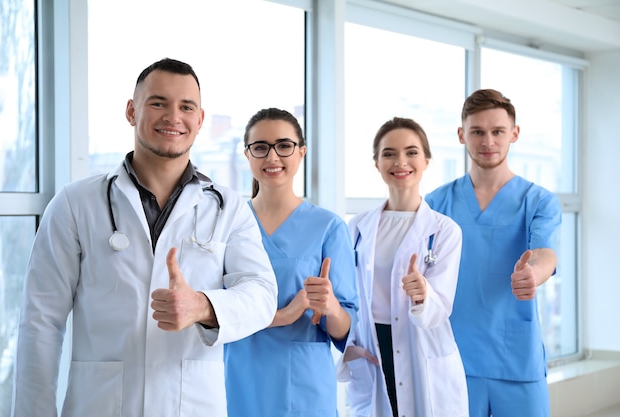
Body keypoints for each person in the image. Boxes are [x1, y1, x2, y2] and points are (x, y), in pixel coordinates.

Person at [11, 58, 278, 417]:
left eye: (186, 107)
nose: (173, 117)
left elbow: (262, 295)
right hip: (100, 406)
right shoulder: (76, 204)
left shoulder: (228, 208)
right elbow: (41, 320)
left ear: (200, 120)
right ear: (131, 110)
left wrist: (202, 306)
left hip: (193, 406)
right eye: (158, 103)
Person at [425, 89, 562, 417]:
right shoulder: (435, 204)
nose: (488, 141)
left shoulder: (538, 201)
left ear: (514, 134)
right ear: (462, 135)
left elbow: (545, 253)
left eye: (498, 131)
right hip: (454, 357)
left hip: (514, 357)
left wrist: (533, 274)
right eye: (477, 132)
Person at [224, 107, 359, 417]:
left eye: (284, 146)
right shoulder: (228, 224)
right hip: (239, 377)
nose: (272, 157)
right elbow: (216, 310)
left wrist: (331, 307)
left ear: (301, 152)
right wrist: (284, 314)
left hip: (303, 383)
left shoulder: (328, 227)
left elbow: (345, 329)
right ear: (247, 155)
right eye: (260, 147)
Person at [338, 117, 468, 417]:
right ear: (377, 163)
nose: (401, 161)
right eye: (389, 153)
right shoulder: (357, 227)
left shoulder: (444, 230)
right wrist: (350, 347)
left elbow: (441, 307)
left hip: (421, 346)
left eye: (411, 152)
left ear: (426, 160)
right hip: (372, 347)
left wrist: (423, 294)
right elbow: (348, 295)